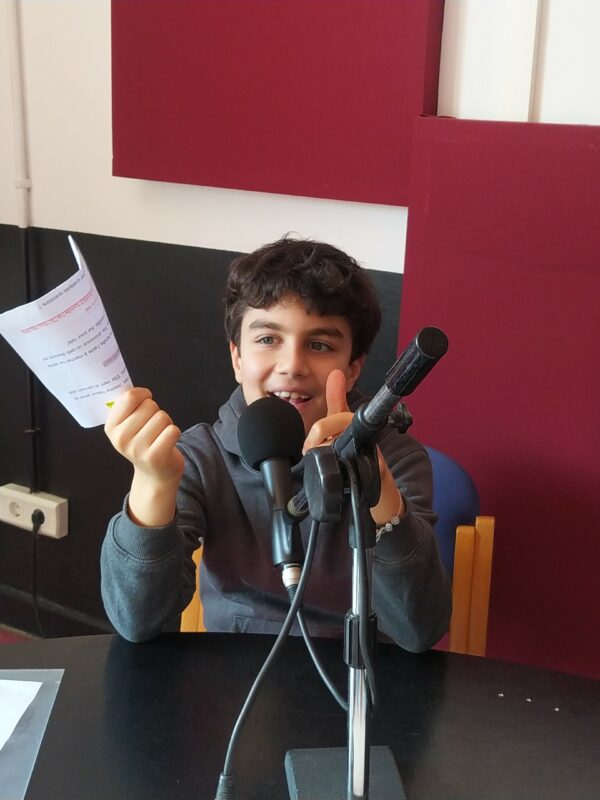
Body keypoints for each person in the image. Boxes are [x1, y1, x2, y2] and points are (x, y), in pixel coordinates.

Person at [101, 237, 451, 650]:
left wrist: (376, 487)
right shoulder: (200, 456)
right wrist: (153, 483)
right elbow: (137, 620)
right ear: (237, 358)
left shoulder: (394, 457)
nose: (292, 365)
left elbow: (418, 630)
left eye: (320, 345)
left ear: (353, 369)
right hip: (234, 675)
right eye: (268, 339)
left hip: (358, 673)